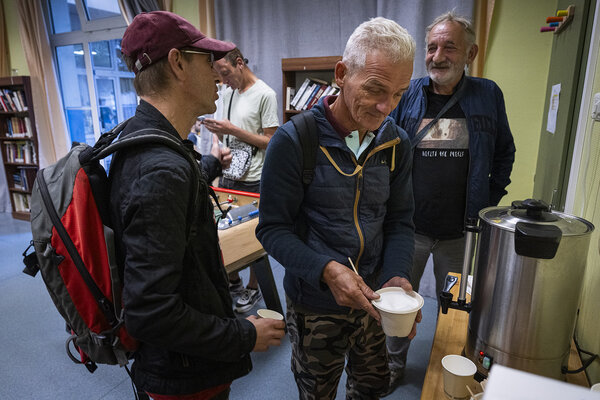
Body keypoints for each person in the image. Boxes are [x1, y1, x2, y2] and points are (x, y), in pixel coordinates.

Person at [111, 11, 285, 400]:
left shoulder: (145, 140)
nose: (217, 75)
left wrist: (208, 165)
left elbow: (175, 186)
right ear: (177, 63)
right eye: (207, 61)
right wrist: (244, 334)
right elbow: (150, 312)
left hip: (179, 364)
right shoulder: (159, 170)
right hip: (183, 376)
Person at [256, 17, 418, 399]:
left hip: (375, 299)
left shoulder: (397, 143)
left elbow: (399, 221)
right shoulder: (295, 141)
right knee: (318, 391)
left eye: (399, 93)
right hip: (315, 305)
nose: (386, 106)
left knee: (371, 387)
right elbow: (272, 229)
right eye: (376, 88)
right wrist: (325, 270)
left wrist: (396, 276)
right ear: (342, 74)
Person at [385, 11, 516, 394]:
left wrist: (488, 204)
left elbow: (505, 153)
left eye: (449, 46)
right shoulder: (408, 94)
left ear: (471, 52)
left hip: (463, 232)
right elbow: (384, 148)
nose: (438, 55)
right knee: (397, 303)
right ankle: (393, 365)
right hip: (408, 228)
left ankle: (451, 369)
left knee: (458, 309)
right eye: (431, 47)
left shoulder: (487, 94)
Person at [203, 48, 279, 313]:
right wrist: (216, 145)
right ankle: (233, 281)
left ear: (239, 64)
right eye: (218, 77)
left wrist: (232, 130)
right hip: (227, 176)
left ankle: (254, 287)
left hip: (255, 180)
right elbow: (218, 130)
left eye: (225, 73)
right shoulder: (226, 93)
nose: (224, 82)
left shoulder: (265, 94)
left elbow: (272, 141)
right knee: (223, 231)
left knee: (255, 238)